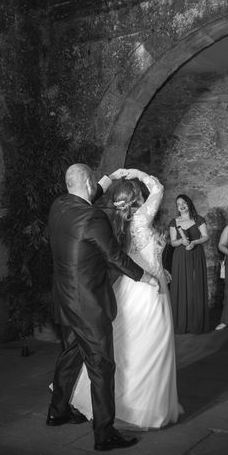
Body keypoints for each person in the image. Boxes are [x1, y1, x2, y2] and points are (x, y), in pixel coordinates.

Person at [46, 163, 158, 452]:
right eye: (94, 182)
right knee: (101, 365)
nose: (95, 186)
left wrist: (112, 177)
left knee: (70, 354)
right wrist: (146, 276)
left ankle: (57, 411)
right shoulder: (93, 217)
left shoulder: (58, 206)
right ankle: (104, 433)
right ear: (87, 182)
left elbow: (89, 193)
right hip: (88, 304)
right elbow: (114, 256)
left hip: (65, 298)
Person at [70, 168, 182, 430]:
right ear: (136, 197)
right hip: (148, 290)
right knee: (153, 345)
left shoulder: (124, 222)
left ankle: (118, 401)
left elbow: (134, 254)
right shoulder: (142, 216)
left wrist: (159, 267)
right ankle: (145, 409)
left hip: (135, 285)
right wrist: (134, 172)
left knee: (127, 344)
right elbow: (158, 187)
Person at [169, 194, 209, 334]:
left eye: (184, 202)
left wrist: (194, 242)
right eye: (178, 203)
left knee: (195, 285)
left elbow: (205, 237)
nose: (181, 205)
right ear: (177, 207)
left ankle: (196, 323)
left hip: (196, 254)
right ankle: (182, 323)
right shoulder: (174, 222)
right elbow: (173, 242)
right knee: (181, 285)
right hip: (180, 256)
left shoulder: (199, 219)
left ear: (189, 204)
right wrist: (181, 241)